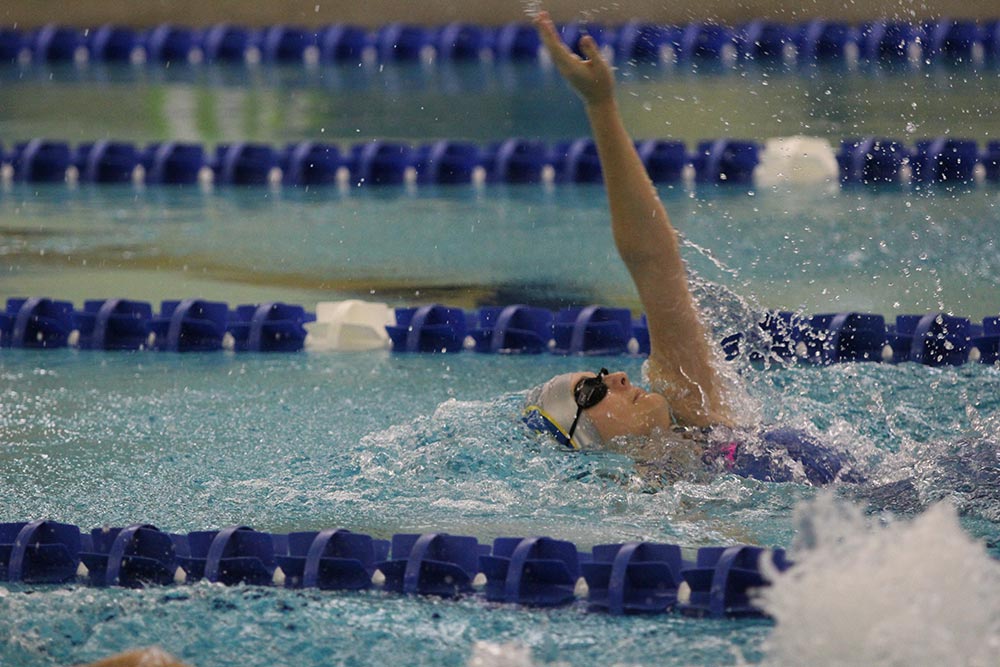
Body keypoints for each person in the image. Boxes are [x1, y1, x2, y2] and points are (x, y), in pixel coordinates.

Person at [522, 12, 850, 486]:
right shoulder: (662, 498)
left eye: (601, 376)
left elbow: (654, 261)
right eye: (591, 393)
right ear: (583, 440)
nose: (616, 379)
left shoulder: (694, 407)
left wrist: (602, 105)